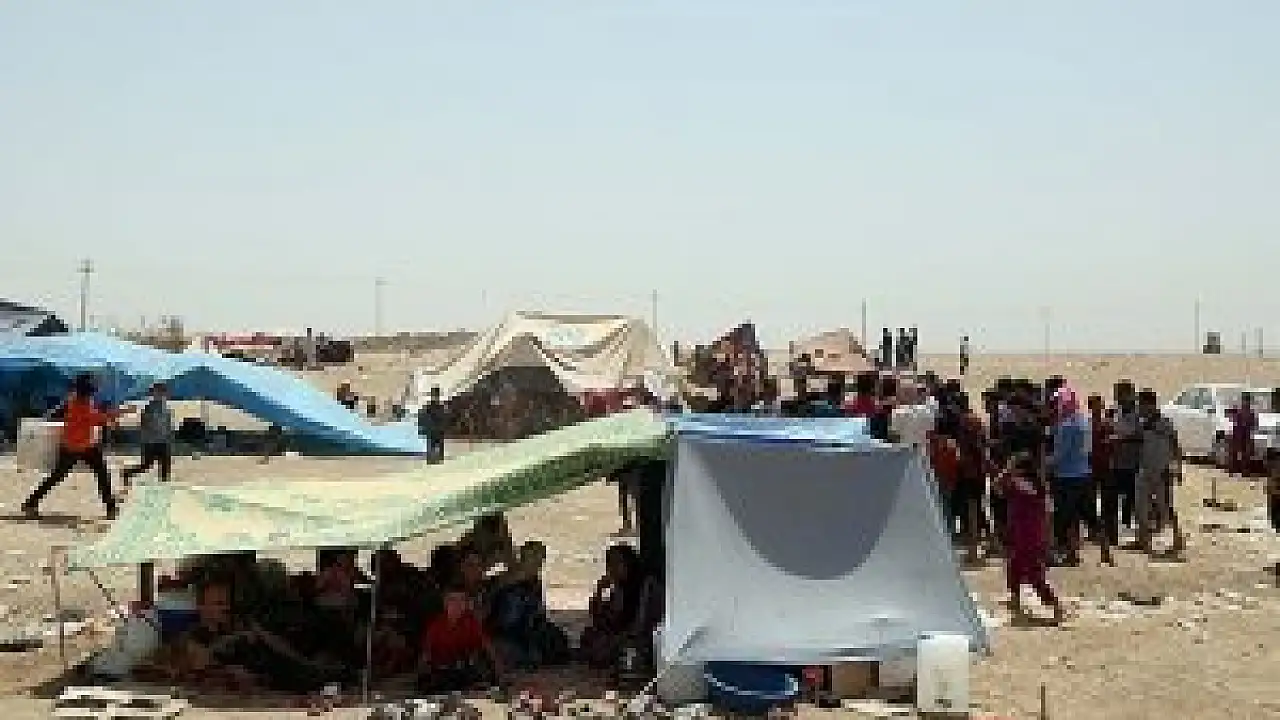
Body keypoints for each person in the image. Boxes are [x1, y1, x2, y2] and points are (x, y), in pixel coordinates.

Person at [22, 373, 133, 520]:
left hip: (80, 444)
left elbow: (93, 416)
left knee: (93, 473)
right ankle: (31, 503)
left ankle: (110, 507)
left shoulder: (76, 399)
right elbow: (98, 418)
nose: (95, 390)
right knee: (64, 475)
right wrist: (121, 412)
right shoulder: (81, 405)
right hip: (75, 446)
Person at [995, 453, 1066, 625]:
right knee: (1015, 567)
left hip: (1026, 536)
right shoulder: (1038, 486)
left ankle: (1056, 606)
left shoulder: (1020, 484)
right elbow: (1048, 514)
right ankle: (1015, 599)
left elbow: (997, 485)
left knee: (1033, 575)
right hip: (1030, 535)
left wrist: (1006, 469)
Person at [1048, 388, 1110, 566]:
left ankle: (1071, 553)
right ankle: (1105, 552)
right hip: (1084, 473)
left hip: (1066, 477)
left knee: (1066, 518)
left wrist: (1043, 463)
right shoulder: (1084, 422)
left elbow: (1060, 454)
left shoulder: (1066, 426)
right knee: (1090, 517)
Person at [579, 544, 655, 669]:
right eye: (609, 564)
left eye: (616, 563)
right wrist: (599, 591)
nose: (611, 569)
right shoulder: (620, 588)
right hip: (619, 635)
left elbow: (639, 625)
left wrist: (616, 638)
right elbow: (599, 618)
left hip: (638, 639)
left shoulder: (645, 586)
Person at [418, 587, 503, 692]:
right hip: (443, 672)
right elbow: (425, 655)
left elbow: (488, 647)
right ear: (445, 603)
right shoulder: (435, 626)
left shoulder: (471, 622)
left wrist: (499, 670)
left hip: (466, 670)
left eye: (462, 600)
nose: (457, 604)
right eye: (453, 600)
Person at [1135, 389, 1182, 555]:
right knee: (1141, 506)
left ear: (1150, 405)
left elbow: (1176, 446)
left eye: (1141, 404)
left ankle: (1177, 539)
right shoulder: (1142, 424)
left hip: (1162, 472)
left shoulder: (1165, 423)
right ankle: (1143, 540)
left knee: (1166, 506)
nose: (1139, 408)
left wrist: (1178, 469)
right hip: (1145, 469)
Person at [121, 382, 174, 485]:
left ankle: (164, 485)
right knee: (146, 465)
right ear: (153, 394)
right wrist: (147, 437)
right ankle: (127, 473)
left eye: (162, 392)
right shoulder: (149, 408)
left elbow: (168, 424)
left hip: (163, 441)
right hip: (150, 441)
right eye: (157, 392)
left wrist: (169, 436)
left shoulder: (165, 408)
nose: (160, 394)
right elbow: (144, 424)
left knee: (165, 465)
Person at [1229, 392, 1258, 475]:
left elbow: (1253, 424)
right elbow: (1235, 422)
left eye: (1247, 400)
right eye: (1245, 400)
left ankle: (1243, 469)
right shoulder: (1240, 412)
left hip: (1245, 435)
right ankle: (1236, 468)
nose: (1246, 402)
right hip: (1239, 434)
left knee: (1245, 454)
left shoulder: (1250, 413)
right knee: (1236, 452)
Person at [416, 386, 447, 463]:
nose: (435, 397)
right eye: (434, 395)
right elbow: (423, 417)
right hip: (434, 429)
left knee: (435, 444)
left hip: (436, 429)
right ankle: (434, 457)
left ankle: (436, 457)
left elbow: (444, 418)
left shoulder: (439, 407)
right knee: (433, 444)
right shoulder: (433, 407)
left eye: (435, 395)